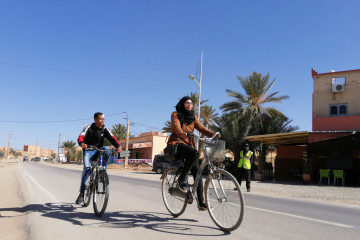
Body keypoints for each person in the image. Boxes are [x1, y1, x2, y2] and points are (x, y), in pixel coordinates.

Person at [167, 96, 220, 211]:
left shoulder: (193, 117)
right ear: (182, 104)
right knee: (195, 153)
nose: (189, 104)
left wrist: (212, 134)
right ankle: (181, 179)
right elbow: (176, 127)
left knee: (198, 172)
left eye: (191, 103)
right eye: (187, 102)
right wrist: (184, 134)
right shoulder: (175, 114)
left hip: (189, 146)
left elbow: (201, 128)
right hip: (177, 143)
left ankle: (201, 202)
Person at [75, 112, 122, 205]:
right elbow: (80, 137)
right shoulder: (89, 128)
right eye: (101, 119)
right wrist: (82, 144)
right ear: (95, 119)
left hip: (98, 150)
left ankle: (102, 171)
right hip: (88, 150)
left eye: (103, 119)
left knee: (107, 149)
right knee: (87, 170)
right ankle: (81, 194)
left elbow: (112, 138)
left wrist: (118, 146)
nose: (103, 121)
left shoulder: (104, 128)